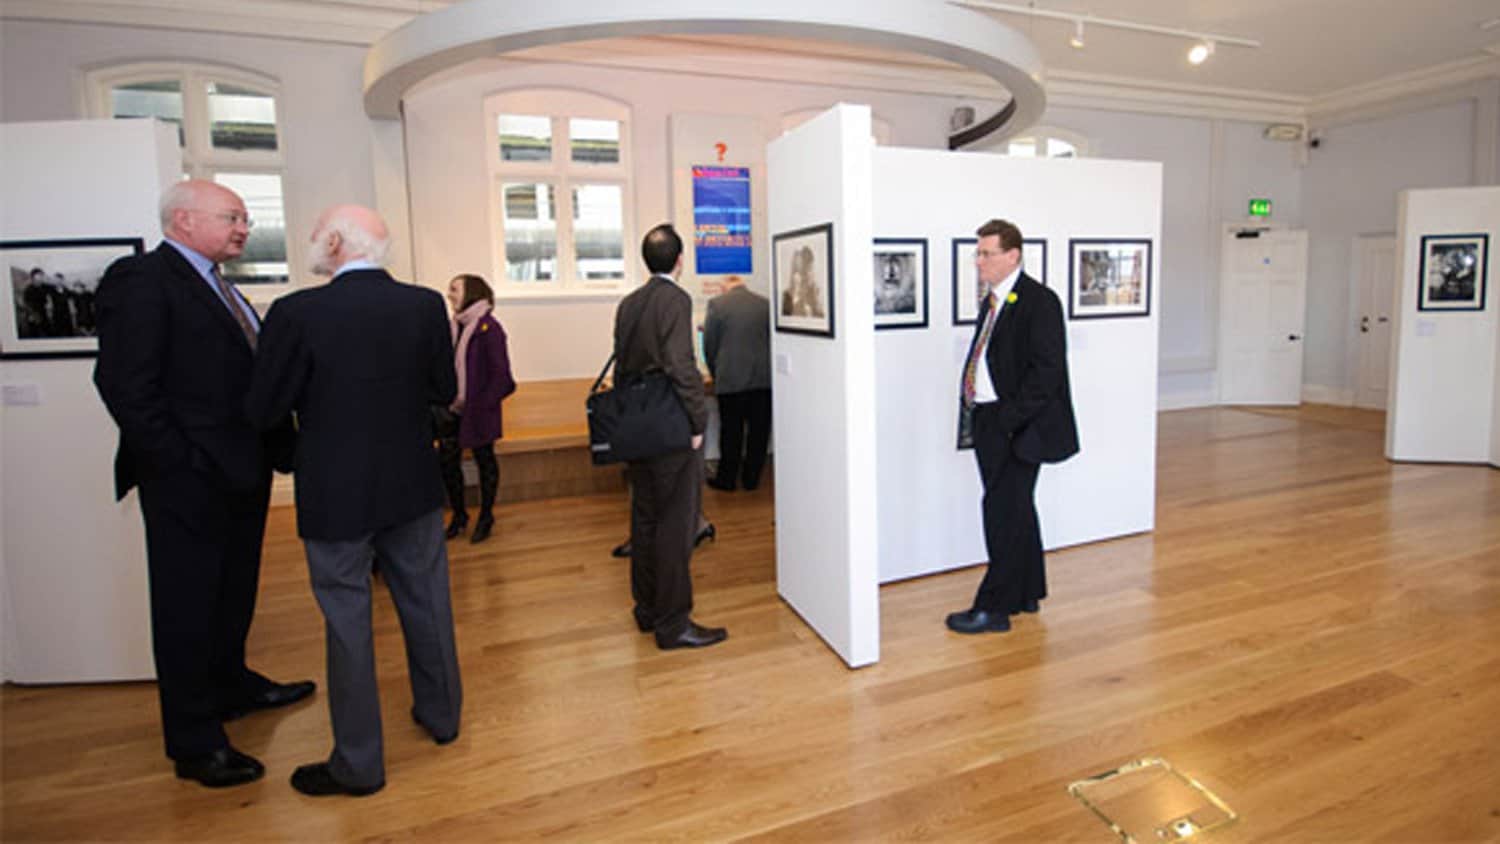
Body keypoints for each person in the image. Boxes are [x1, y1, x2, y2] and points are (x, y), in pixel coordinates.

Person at [92, 179, 311, 789]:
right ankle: (194, 741)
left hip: (242, 471)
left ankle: (231, 685)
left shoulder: (220, 285)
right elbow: (125, 387)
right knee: (186, 606)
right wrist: (178, 463)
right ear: (183, 220)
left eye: (245, 218)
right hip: (189, 479)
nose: (244, 228)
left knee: (233, 591)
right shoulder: (142, 280)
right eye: (232, 217)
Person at [245, 204, 463, 797]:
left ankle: (359, 764)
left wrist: (295, 453)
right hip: (412, 482)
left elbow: (264, 409)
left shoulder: (294, 314)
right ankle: (442, 717)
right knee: (427, 604)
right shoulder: (422, 305)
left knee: (347, 621)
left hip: (334, 490)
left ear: (337, 242)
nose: (312, 242)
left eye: (317, 234)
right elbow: (444, 391)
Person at [947, 219, 1079, 635]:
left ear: (1013, 255)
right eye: (978, 253)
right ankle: (1026, 592)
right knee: (1016, 509)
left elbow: (1047, 373)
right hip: (991, 421)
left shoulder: (1039, 302)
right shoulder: (993, 301)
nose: (978, 261)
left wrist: (1007, 420)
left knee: (1002, 512)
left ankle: (994, 607)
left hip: (1018, 428)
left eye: (986, 253)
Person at [613, 223, 727, 649]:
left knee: (643, 519)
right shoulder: (676, 300)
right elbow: (682, 366)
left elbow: (625, 367)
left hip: (636, 427)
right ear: (680, 261)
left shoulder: (629, 303)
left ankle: (646, 609)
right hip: (670, 427)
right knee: (676, 526)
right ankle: (673, 622)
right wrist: (698, 422)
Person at [436, 273, 516, 543]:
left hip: (479, 411)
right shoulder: (452, 327)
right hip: (453, 410)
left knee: (485, 462)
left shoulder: (489, 329)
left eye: (454, 289)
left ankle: (486, 516)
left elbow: (503, 379)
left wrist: (481, 403)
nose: (449, 294)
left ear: (471, 292)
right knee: (448, 463)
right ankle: (459, 516)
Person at [702, 274, 771, 492]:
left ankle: (727, 479)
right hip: (763, 379)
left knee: (731, 432)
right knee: (758, 432)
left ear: (725, 288)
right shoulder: (765, 305)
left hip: (731, 378)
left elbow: (709, 344)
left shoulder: (717, 305)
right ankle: (751, 479)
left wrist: (715, 371)